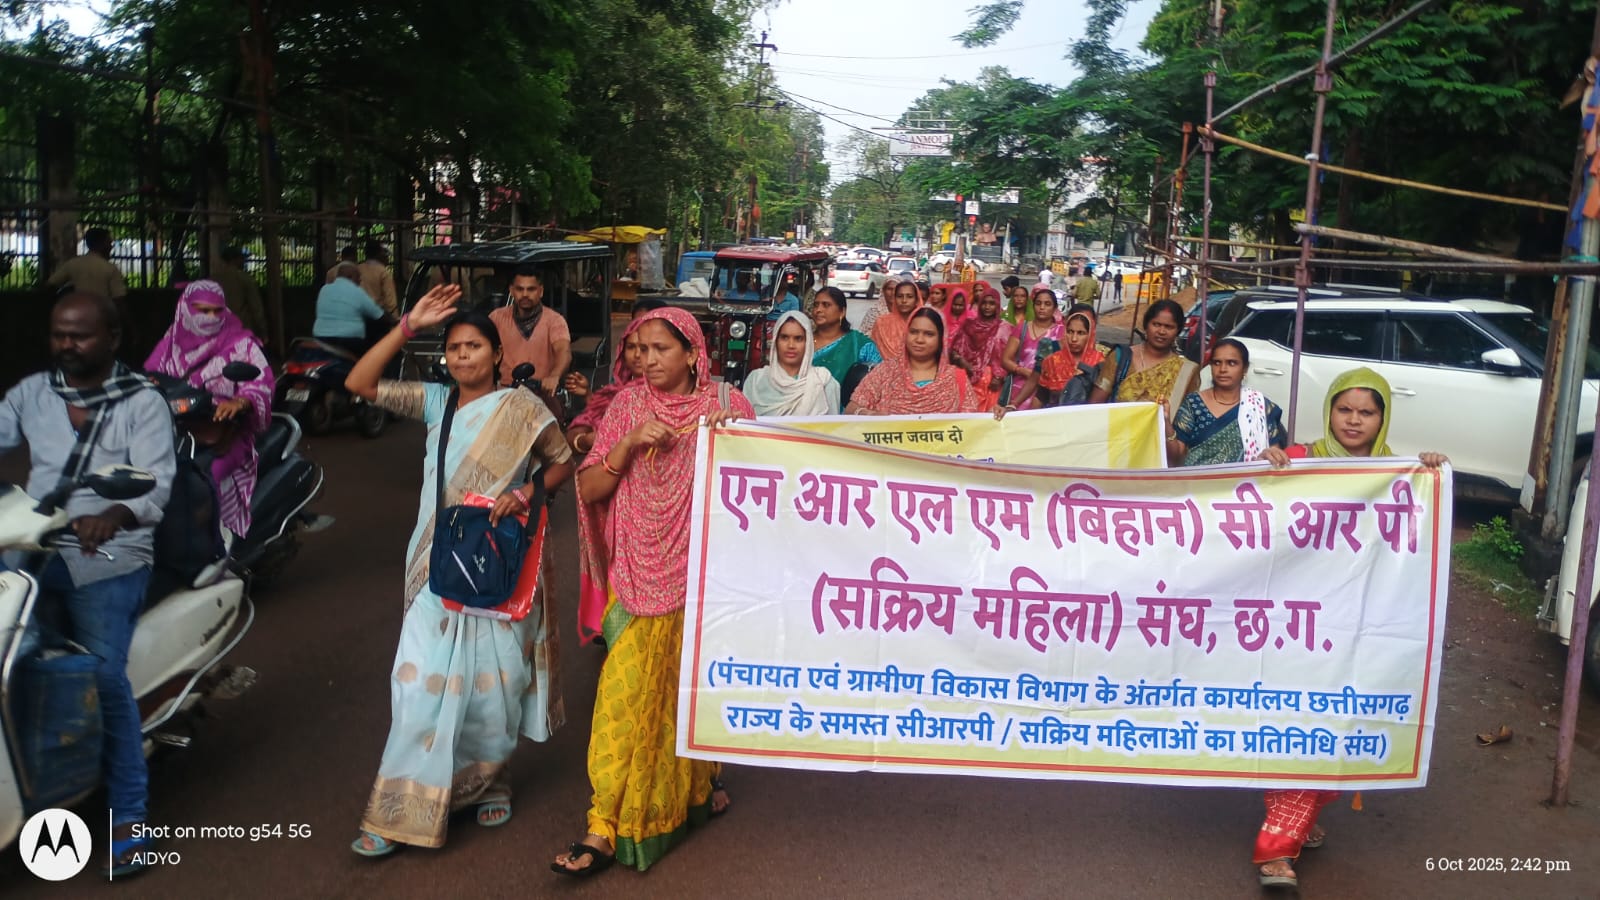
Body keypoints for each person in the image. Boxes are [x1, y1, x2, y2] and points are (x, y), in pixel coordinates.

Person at [346, 285, 574, 857]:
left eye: (474, 346)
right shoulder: (435, 402)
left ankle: (489, 779)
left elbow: (563, 461)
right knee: (417, 686)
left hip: (499, 567)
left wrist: (525, 493)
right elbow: (359, 384)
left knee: (493, 688)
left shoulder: (524, 410)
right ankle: (398, 808)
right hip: (434, 565)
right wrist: (406, 326)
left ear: (497, 354)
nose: (462, 356)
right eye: (452, 348)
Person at [552, 307, 748, 877]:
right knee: (624, 698)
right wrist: (631, 442)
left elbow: (764, 481)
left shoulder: (728, 407)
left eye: (661, 348)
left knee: (689, 691)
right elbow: (588, 488)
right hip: (638, 576)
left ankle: (697, 788)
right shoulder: (629, 406)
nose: (648, 360)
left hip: (705, 575)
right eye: (640, 349)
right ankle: (603, 825)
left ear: (692, 353)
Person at [0, 292, 175, 878]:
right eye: (58, 335)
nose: (67, 345)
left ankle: (128, 815)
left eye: (79, 335)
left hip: (111, 549)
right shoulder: (30, 392)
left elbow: (155, 484)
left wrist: (114, 514)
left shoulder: (142, 401)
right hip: (32, 539)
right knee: (10, 657)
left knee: (102, 672)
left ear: (113, 339)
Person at [1253, 366, 1448, 890]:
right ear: (1329, 412)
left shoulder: (1397, 472)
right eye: (1345, 409)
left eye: (1367, 412)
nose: (1354, 420)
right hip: (1297, 626)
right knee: (1296, 726)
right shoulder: (1300, 459)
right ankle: (1276, 851)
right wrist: (1270, 463)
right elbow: (1250, 508)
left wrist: (1430, 470)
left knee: (1338, 723)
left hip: (1360, 627)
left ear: (1383, 417)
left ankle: (1303, 818)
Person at [563, 300, 664, 646]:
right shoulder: (613, 398)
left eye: (653, 348)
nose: (642, 356)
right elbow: (577, 434)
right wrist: (593, 441)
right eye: (635, 347)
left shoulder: (695, 402)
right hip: (616, 508)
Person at [145, 280, 275, 538]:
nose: (211, 318)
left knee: (203, 480)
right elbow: (150, 375)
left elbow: (262, 381)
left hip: (223, 433)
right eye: (203, 311)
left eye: (217, 311)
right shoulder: (171, 340)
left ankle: (212, 548)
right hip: (173, 430)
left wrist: (241, 401)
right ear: (185, 309)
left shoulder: (242, 343)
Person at [1167, 338, 1287, 467]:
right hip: (1197, 483)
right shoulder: (1194, 403)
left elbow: (1274, 454)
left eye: (1231, 363)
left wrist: (1267, 456)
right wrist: (1166, 423)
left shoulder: (1259, 406)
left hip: (1244, 484)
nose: (1223, 369)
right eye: (1217, 363)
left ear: (1245, 368)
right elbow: (1175, 457)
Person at [847, 308, 980, 415]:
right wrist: (870, 415)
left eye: (929, 334)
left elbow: (971, 424)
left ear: (941, 340)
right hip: (889, 447)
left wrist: (995, 416)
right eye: (914, 332)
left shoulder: (955, 378)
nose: (919, 339)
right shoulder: (886, 372)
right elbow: (852, 408)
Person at [1090, 299, 1200, 410]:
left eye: (1169, 327)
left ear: (1178, 331)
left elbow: (1187, 417)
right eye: (1156, 324)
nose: (1161, 331)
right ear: (1146, 326)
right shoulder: (1120, 357)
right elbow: (1095, 406)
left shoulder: (1185, 370)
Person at [491, 265, 572, 396]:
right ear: (511, 291)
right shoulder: (497, 317)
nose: (525, 294)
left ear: (541, 291)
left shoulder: (555, 320)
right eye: (519, 289)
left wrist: (554, 376)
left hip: (542, 395)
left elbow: (564, 351)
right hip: (504, 394)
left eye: (531, 289)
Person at [1001, 309, 1103, 411]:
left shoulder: (1099, 362)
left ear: (1090, 335)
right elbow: (1041, 395)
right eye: (1070, 332)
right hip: (1054, 419)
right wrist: (1015, 406)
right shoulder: (1053, 360)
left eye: (1081, 333)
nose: (1074, 338)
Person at [743, 311, 839, 417]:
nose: (791, 345)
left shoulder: (824, 382)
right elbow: (744, 422)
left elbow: (832, 429)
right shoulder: (756, 380)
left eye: (798, 339)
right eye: (784, 337)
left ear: (808, 343)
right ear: (776, 341)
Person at [810, 285, 882, 406]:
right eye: (816, 305)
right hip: (804, 413)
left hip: (846, 416)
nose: (818, 310)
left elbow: (879, 379)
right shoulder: (803, 341)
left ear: (842, 312)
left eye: (826, 305)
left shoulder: (859, 344)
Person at [998, 286, 1064, 408]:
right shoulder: (1022, 328)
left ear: (1054, 308)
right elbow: (1005, 359)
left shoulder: (1061, 333)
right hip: (1018, 388)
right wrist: (1023, 371)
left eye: (1047, 304)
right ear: (1033, 306)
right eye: (1038, 303)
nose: (1042, 307)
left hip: (1044, 392)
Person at [952, 286, 1014, 410]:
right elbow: (954, 351)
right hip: (968, 377)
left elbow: (1008, 356)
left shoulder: (1004, 328)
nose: (987, 307)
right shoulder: (969, 325)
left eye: (991, 303)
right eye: (984, 303)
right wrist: (963, 362)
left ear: (997, 305)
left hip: (992, 382)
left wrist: (998, 376)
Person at [314, 263, 389, 356]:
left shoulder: (324, 289)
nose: (360, 280)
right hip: (349, 340)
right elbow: (379, 315)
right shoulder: (357, 291)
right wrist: (394, 321)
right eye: (358, 277)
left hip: (321, 338)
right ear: (350, 276)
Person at [46, 227, 126, 300]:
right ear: (102, 244)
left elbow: (51, 285)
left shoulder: (73, 264)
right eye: (109, 242)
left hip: (78, 311)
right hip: (102, 312)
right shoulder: (110, 268)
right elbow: (119, 298)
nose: (111, 246)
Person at [209, 247, 269, 340]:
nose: (244, 261)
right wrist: (263, 332)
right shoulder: (245, 279)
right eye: (242, 258)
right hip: (241, 329)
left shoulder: (212, 280)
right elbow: (256, 309)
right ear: (236, 260)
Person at [871, 279, 921, 364]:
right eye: (900, 296)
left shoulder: (923, 323)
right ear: (894, 298)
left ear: (916, 300)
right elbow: (873, 353)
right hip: (885, 372)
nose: (904, 300)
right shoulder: (882, 323)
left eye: (909, 296)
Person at [359, 239, 399, 317]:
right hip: (377, 317)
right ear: (379, 254)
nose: (386, 256)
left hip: (359, 315)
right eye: (384, 252)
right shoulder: (383, 272)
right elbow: (391, 303)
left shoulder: (356, 269)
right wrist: (395, 320)